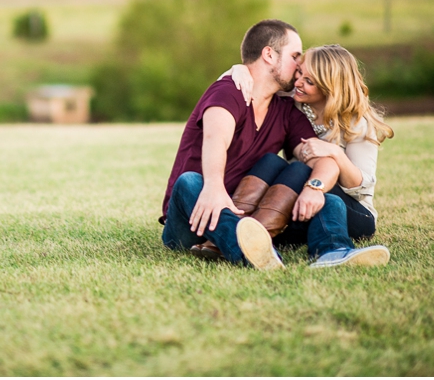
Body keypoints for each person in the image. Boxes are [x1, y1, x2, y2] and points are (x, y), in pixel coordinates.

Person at [160, 20, 390, 270]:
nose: (299, 67)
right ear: (269, 55)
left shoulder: (287, 110)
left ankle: (332, 252)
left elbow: (321, 160)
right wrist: (214, 188)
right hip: (199, 214)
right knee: (189, 182)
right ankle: (245, 250)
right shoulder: (228, 92)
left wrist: (315, 188)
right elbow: (217, 138)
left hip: (249, 211)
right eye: (295, 57)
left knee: (326, 198)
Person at [223, 44, 394, 244]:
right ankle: (232, 226)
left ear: (330, 88)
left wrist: (334, 154)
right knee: (270, 161)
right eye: (299, 73)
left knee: (300, 171)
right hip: (302, 205)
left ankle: (250, 238)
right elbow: (263, 83)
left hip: (352, 213)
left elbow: (361, 186)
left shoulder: (356, 123)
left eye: (309, 81)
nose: (298, 83)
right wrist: (240, 69)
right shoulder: (296, 107)